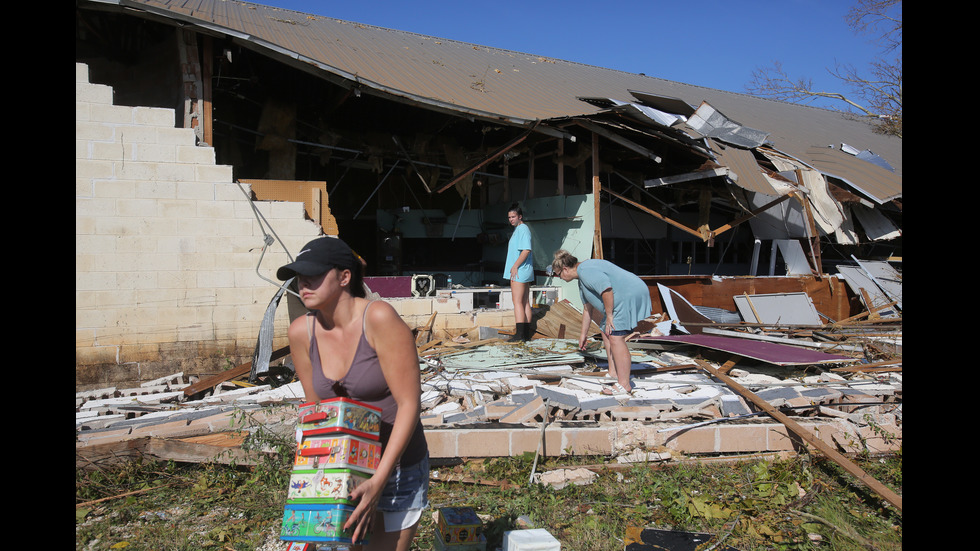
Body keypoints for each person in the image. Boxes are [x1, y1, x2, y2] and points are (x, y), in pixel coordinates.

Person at [277, 236, 429, 550]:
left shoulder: (378, 318)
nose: (304, 282)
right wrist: (311, 483)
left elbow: (409, 404)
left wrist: (379, 479)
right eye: (300, 276)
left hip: (397, 467)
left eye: (315, 274)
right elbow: (316, 410)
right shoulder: (301, 332)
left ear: (345, 277)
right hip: (344, 470)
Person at [551, 249, 651, 395]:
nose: (558, 278)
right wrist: (583, 335)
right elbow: (587, 309)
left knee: (616, 337)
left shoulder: (586, 271)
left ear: (565, 269)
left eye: (558, 274)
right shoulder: (581, 279)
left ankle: (624, 384)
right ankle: (613, 372)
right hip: (620, 298)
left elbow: (606, 290)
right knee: (606, 330)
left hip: (627, 295)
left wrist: (610, 315)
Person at [504, 204, 534, 342]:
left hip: (519, 271)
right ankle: (526, 334)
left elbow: (526, 250)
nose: (511, 219)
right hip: (523, 270)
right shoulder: (519, 229)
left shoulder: (522, 229)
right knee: (524, 302)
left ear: (520, 216)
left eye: (513, 216)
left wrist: (515, 265)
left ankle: (520, 335)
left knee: (517, 302)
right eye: (509, 217)